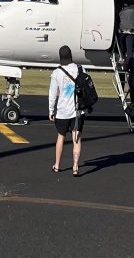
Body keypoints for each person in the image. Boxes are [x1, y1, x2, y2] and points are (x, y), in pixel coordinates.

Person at [48, 45, 84, 176]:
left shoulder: (56, 72)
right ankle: (75, 166)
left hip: (62, 110)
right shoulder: (79, 69)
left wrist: (51, 110)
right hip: (77, 109)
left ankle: (57, 165)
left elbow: (53, 94)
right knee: (76, 137)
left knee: (60, 136)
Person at [117, 2, 134, 72]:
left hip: (122, 31)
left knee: (121, 44)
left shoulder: (121, 12)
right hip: (131, 31)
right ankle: (128, 64)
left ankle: (122, 55)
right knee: (130, 49)